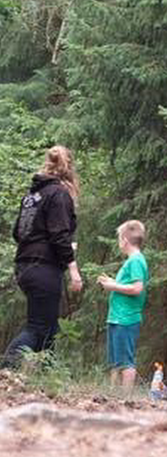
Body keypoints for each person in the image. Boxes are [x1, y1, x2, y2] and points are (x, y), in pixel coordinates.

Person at [2, 146, 83, 366]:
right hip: (43, 268)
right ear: (70, 169)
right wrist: (74, 270)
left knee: (49, 327)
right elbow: (59, 235)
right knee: (38, 328)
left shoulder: (32, 196)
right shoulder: (58, 194)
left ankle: (50, 373)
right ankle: (6, 368)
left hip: (25, 266)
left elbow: (18, 232)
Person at [97, 220, 149, 391]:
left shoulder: (135, 261)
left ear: (124, 240)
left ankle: (125, 397)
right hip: (117, 317)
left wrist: (112, 286)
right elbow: (127, 285)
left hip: (126, 318)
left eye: (119, 239)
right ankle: (112, 394)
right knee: (115, 361)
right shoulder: (131, 261)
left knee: (125, 362)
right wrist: (112, 282)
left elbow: (137, 288)